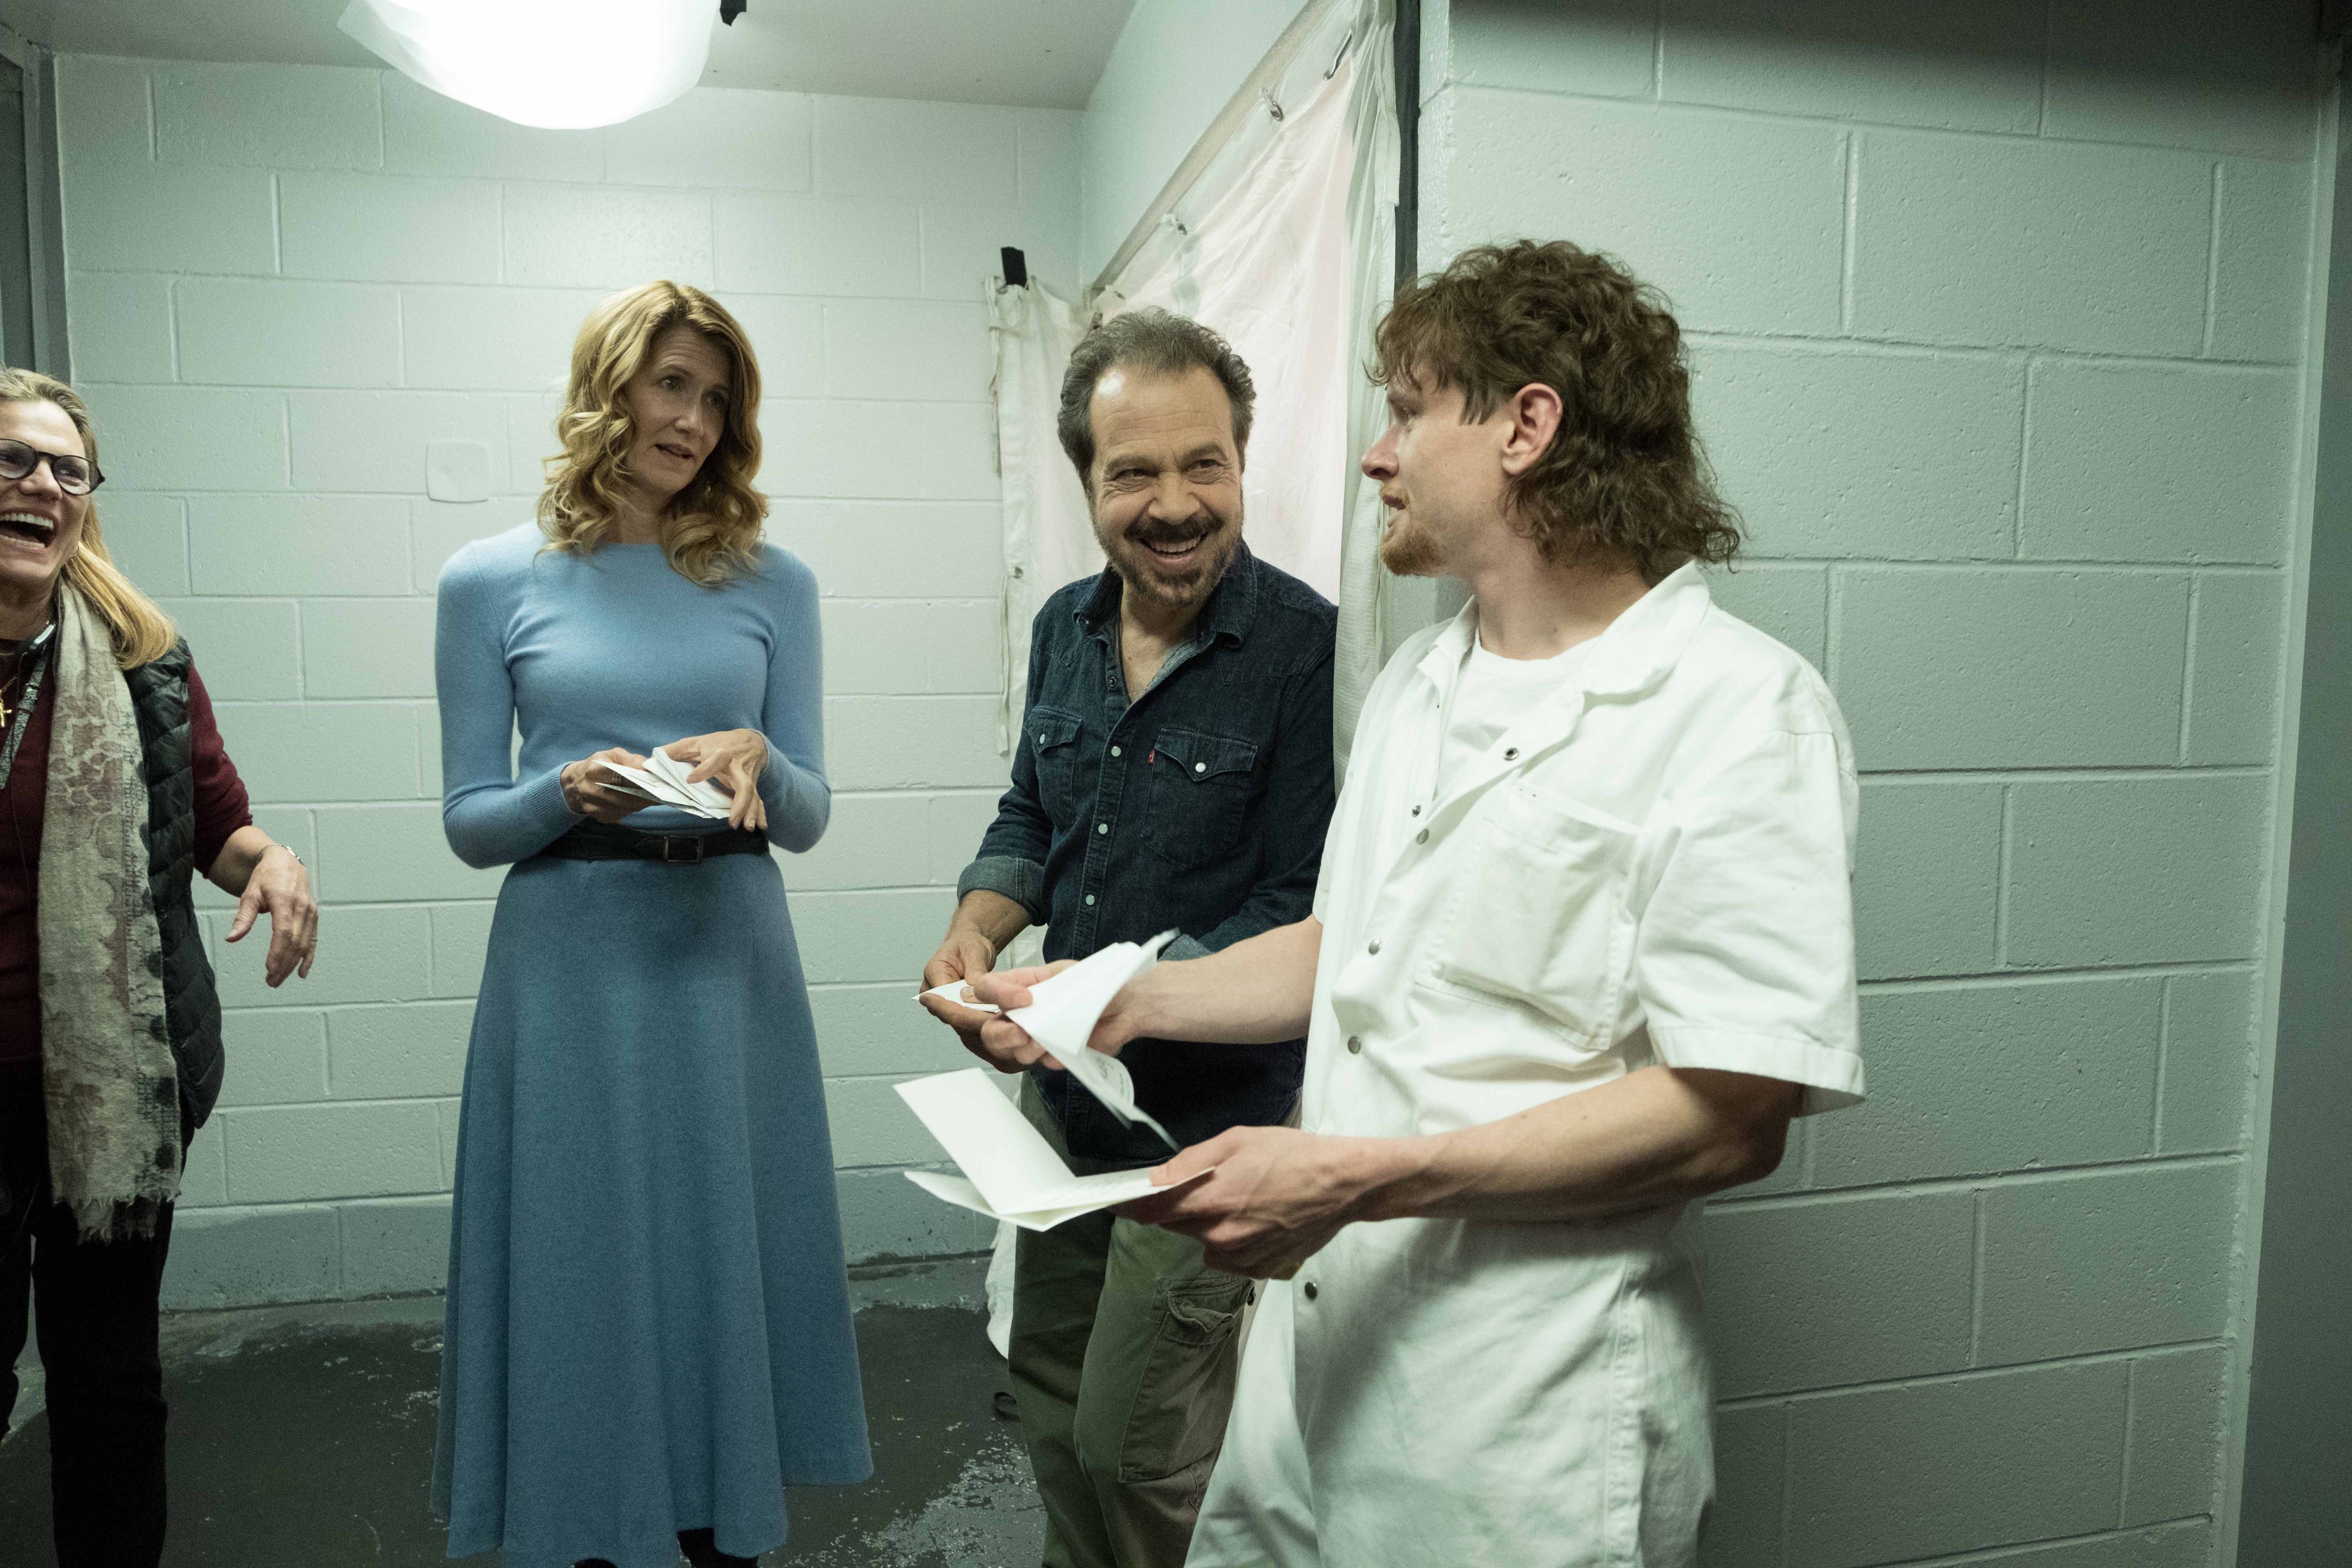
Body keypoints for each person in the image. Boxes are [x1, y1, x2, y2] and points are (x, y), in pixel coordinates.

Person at [973, 242, 1867, 1567]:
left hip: (1519, 1420)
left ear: (1527, 425)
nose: (1374, 457)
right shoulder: (1415, 684)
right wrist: (1107, 998)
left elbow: (1731, 1117)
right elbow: (1347, 949)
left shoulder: (1739, 709)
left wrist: (1362, 1178)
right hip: (1317, 1370)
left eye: (1405, 411)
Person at [430, 281, 869, 1568]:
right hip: (567, 947)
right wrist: (563, 791)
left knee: (715, 1242)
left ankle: (714, 1512)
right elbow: (468, 819)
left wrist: (760, 762)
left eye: (718, 395)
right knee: (577, 1252)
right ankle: (580, 1512)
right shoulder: (489, 578)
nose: (694, 417)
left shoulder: (773, 581)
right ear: (608, 385)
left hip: (725, 944)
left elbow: (811, 809)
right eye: (672, 382)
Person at [919, 308, 1337, 1568]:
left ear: (1244, 460)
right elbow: (1031, 813)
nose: (1174, 504)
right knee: (1046, 1398)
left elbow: (1304, 899)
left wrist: (1116, 990)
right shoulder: (1063, 627)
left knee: (1135, 1448)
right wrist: (975, 925)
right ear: (1087, 482)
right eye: (1133, 472)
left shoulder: (1303, 650)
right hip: (1064, 1112)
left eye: (1203, 463)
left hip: (1205, 1132)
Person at [0, 368, 318, 1567]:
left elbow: (215, 824)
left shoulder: (143, 658)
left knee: (109, 1382)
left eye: (65, 470)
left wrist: (272, 862)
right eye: (13, 462)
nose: (40, 485)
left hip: (111, 1082)